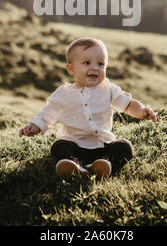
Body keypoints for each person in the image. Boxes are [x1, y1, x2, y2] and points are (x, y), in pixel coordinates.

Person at [19, 37, 157, 178]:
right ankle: (73, 165)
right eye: (87, 63)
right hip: (74, 145)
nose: (94, 68)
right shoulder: (63, 93)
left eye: (101, 64)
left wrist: (140, 111)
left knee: (124, 147)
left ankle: (104, 164)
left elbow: (127, 104)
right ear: (71, 69)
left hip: (103, 145)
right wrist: (35, 126)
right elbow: (48, 114)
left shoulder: (108, 89)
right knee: (58, 146)